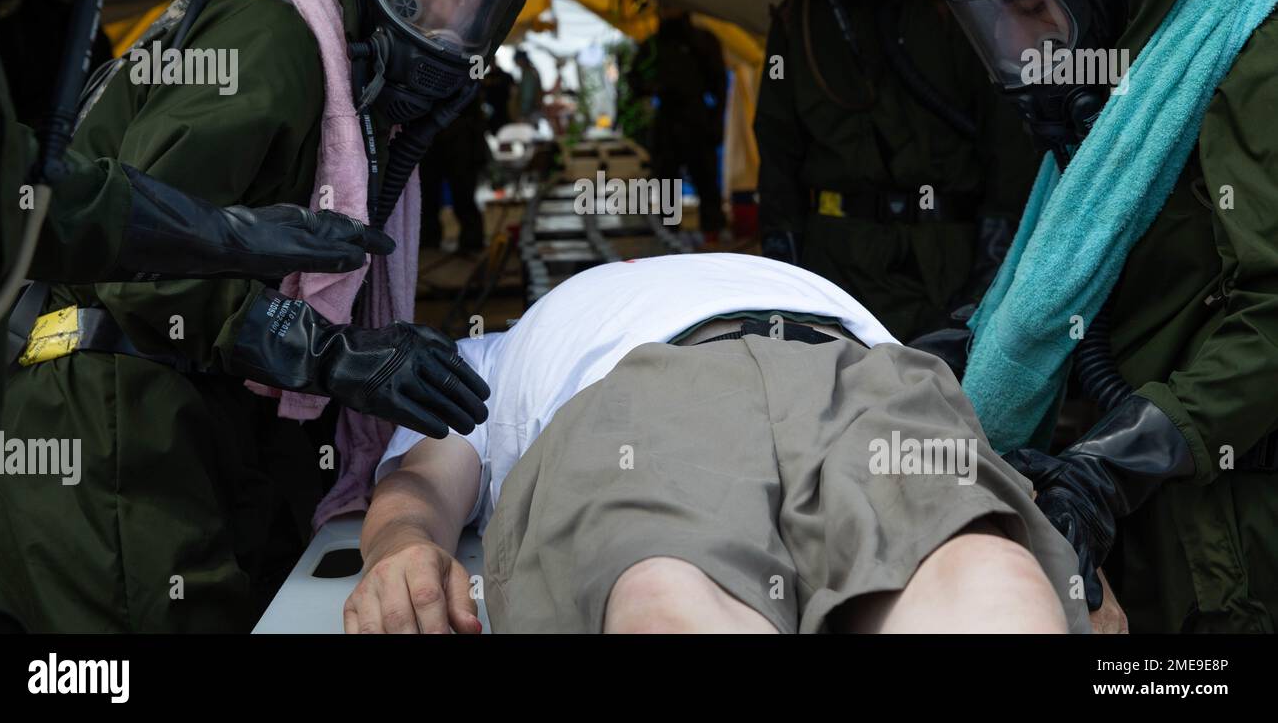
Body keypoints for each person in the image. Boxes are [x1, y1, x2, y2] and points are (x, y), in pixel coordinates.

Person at [0, 0, 536, 631]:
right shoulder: (273, 43)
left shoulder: (360, 104)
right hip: (111, 424)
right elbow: (142, 258)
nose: (446, 14)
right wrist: (329, 352)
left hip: (178, 423)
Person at [346, 252, 1094, 634]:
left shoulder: (512, 341)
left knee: (987, 572)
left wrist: (400, 545)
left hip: (851, 365)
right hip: (677, 388)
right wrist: (399, 550)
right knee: (668, 595)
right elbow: (420, 485)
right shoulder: (483, 362)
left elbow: (420, 490)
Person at [939, 0, 1278, 633]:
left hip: (1238, 525)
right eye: (998, 19)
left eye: (1033, 10)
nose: (1022, 51)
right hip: (1155, 520)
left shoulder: (1253, 65)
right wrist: (966, 339)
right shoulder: (1122, 98)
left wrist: (1130, 454)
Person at [754, 0, 1040, 343]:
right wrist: (783, 264)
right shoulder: (799, 20)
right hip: (837, 265)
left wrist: (996, 263)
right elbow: (777, 151)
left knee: (950, 413)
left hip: (949, 261)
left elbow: (1010, 138)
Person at [630, 5, 727, 237]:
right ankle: (669, 238)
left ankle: (711, 238)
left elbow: (720, 86)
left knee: (706, 182)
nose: (664, 10)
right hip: (667, 121)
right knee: (666, 185)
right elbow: (634, 80)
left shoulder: (703, 41)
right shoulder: (653, 45)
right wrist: (653, 88)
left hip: (697, 121)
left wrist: (715, 121)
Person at [0, 0, 115, 131]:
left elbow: (103, 83)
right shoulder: (11, 30)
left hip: (76, 132)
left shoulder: (90, 33)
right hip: (18, 131)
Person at [420, 85, 488, 253]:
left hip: (461, 139)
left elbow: (476, 80)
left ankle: (471, 241)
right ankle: (429, 239)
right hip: (430, 137)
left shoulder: (475, 64)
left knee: (464, 194)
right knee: (428, 195)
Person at [512, 49, 540, 119]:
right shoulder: (526, 72)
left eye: (517, 61)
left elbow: (529, 95)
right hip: (529, 110)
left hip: (530, 111)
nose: (516, 63)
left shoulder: (530, 73)